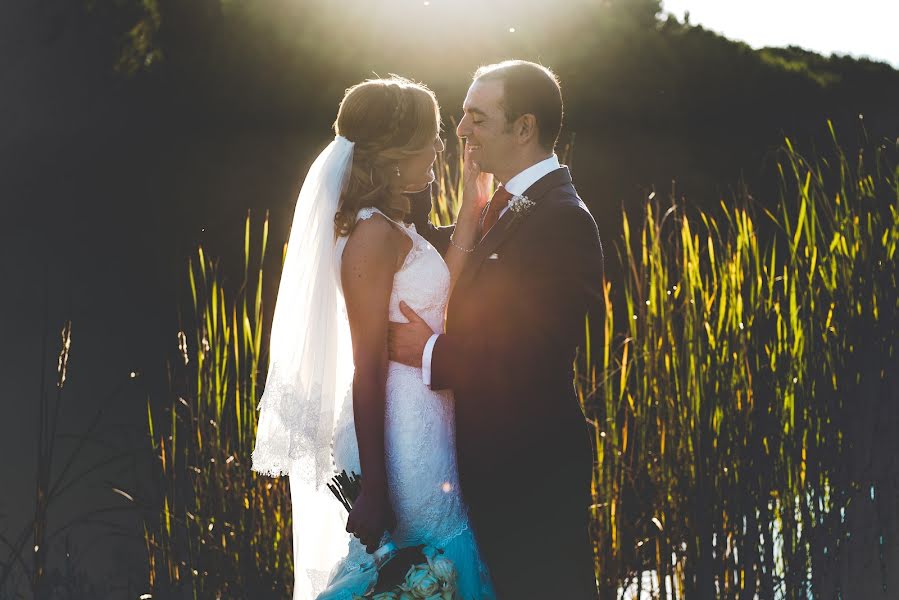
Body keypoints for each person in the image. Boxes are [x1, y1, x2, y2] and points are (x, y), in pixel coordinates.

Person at [250, 76, 495, 600]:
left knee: (439, 562)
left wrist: (471, 217)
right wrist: (377, 489)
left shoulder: (392, 225)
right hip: (401, 432)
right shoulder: (370, 235)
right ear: (393, 154)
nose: (439, 147)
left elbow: (431, 291)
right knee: (424, 560)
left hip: (427, 417)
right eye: (429, 138)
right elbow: (368, 368)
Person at [390, 60, 604, 599]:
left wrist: (430, 351)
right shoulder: (504, 203)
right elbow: (445, 255)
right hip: (493, 467)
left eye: (476, 118)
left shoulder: (562, 218)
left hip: (531, 473)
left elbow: (533, 354)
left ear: (524, 127)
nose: (460, 131)